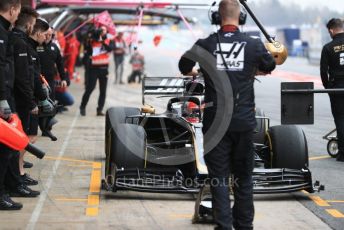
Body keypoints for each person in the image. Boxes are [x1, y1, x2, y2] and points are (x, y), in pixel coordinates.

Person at [178, 0, 276, 229]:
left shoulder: (205, 44)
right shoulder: (253, 45)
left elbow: (184, 65)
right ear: (241, 18)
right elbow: (270, 64)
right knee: (244, 179)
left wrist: (197, 71)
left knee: (219, 179)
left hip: (216, 124)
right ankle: (244, 226)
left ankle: (224, 225)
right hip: (243, 123)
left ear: (216, 18)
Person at [12, 6, 41, 186]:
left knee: (21, 139)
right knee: (18, 140)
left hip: (20, 98)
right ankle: (16, 178)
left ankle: (19, 173)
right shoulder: (19, 43)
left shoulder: (21, 42)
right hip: (20, 100)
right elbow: (22, 77)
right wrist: (31, 102)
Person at [321, 18, 344, 162]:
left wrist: (328, 88)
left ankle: (343, 153)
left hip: (337, 87)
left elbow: (323, 72)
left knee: (341, 119)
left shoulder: (328, 47)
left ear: (331, 30)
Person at [80, 26, 113, 116]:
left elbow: (110, 49)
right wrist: (90, 36)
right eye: (101, 30)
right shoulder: (92, 40)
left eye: (104, 30)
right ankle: (82, 106)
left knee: (103, 91)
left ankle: (100, 110)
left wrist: (102, 41)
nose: (102, 32)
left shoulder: (108, 40)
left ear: (106, 32)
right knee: (90, 88)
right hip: (93, 69)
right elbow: (86, 49)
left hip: (104, 68)